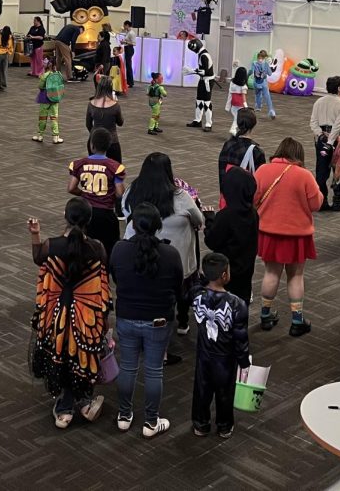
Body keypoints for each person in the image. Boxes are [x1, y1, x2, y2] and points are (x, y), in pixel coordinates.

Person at [28, 199, 110, 428]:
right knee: (82, 354)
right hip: (86, 315)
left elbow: (38, 259)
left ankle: (64, 409)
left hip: (56, 313)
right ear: (89, 220)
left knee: (61, 354)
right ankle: (84, 403)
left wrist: (35, 235)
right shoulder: (97, 248)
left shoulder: (52, 246)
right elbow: (101, 284)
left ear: (65, 215)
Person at [109, 203, 184, 438]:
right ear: (158, 226)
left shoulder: (119, 250)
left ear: (131, 223)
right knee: (153, 371)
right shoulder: (170, 253)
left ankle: (124, 415)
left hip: (127, 316)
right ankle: (151, 422)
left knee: (128, 367)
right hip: (159, 320)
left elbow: (115, 278)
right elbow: (177, 285)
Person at [122, 153, 203, 341]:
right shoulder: (181, 196)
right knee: (181, 287)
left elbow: (125, 212)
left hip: (141, 253)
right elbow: (199, 219)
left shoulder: (132, 191)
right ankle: (182, 321)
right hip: (179, 256)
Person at [254, 138, 323, 336]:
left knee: (271, 273)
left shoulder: (262, 170)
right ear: (298, 156)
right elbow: (316, 204)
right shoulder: (304, 175)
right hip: (297, 235)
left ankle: (266, 316)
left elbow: (253, 198)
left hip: (268, 232)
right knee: (296, 275)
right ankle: (296, 320)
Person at [190, 252, 251, 439]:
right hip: (225, 357)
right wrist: (244, 360)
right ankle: (224, 426)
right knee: (225, 392)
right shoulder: (237, 304)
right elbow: (240, 337)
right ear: (225, 275)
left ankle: (201, 424)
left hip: (204, 354)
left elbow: (189, 291)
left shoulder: (197, 296)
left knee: (202, 390)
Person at [202, 166, 258, 304]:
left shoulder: (225, 216)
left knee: (225, 306)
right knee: (241, 303)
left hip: (226, 272)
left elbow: (212, 240)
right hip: (246, 267)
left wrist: (210, 220)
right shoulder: (253, 213)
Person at [68, 128, 126, 260]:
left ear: (91, 145)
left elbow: (71, 188)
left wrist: (84, 193)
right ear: (109, 146)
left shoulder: (79, 164)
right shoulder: (115, 166)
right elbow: (119, 193)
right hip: (106, 214)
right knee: (109, 245)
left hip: (86, 213)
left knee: (85, 244)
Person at [310, 75, 340, 212]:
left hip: (320, 138)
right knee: (339, 169)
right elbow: (337, 126)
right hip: (336, 140)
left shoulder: (318, 102)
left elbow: (313, 123)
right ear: (339, 88)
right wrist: (331, 142)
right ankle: (337, 201)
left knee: (321, 170)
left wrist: (321, 136)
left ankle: (321, 201)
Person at [216, 108, 266, 199]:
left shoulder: (228, 145)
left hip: (227, 198)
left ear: (238, 123)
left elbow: (222, 172)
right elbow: (260, 182)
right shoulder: (257, 151)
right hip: (245, 202)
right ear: (254, 124)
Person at [86, 76, 124, 163]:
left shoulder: (91, 104)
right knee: (116, 168)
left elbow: (88, 124)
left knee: (95, 167)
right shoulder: (115, 105)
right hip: (112, 141)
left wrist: (94, 133)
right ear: (111, 88)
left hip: (94, 141)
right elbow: (120, 123)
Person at [34, 55, 66, 144]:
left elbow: (40, 86)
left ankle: (40, 135)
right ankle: (56, 137)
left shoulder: (44, 75)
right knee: (54, 118)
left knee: (42, 117)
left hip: (44, 98)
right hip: (55, 97)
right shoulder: (58, 74)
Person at [250, 50, 276, 120]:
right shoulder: (265, 64)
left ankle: (258, 107)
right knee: (267, 97)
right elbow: (270, 74)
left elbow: (251, 71)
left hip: (257, 82)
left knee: (258, 94)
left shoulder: (254, 63)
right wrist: (268, 66)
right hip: (263, 83)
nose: (260, 59)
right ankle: (271, 111)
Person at [225, 66, 249, 135]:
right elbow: (243, 98)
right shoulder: (243, 86)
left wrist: (227, 106)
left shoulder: (232, 83)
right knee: (238, 118)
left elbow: (230, 94)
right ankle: (233, 129)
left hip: (233, 103)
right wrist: (246, 107)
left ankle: (236, 131)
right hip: (240, 104)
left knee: (236, 117)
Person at [121, 20, 137, 88]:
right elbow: (128, 42)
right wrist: (124, 42)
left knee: (129, 66)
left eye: (124, 25)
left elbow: (134, 43)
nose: (123, 26)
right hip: (127, 48)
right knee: (128, 66)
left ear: (127, 25)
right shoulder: (128, 32)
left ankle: (130, 82)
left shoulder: (131, 33)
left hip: (130, 49)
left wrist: (126, 42)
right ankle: (129, 82)